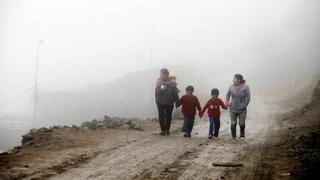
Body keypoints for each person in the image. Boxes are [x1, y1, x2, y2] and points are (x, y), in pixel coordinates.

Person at [155, 68, 180, 136]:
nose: (160, 75)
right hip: (160, 102)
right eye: (160, 74)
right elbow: (156, 92)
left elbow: (175, 92)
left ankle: (167, 130)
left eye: (161, 74)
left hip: (169, 102)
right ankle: (163, 130)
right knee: (161, 116)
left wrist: (177, 102)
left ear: (166, 75)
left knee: (168, 116)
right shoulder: (158, 81)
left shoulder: (172, 82)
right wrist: (161, 89)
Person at [226, 74, 251, 140]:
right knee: (233, 123)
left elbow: (248, 97)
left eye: (234, 79)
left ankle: (242, 135)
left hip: (242, 109)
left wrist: (244, 105)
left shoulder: (246, 87)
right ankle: (233, 137)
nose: (233, 80)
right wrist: (227, 102)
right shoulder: (231, 86)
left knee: (241, 123)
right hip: (232, 109)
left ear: (239, 80)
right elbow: (227, 95)